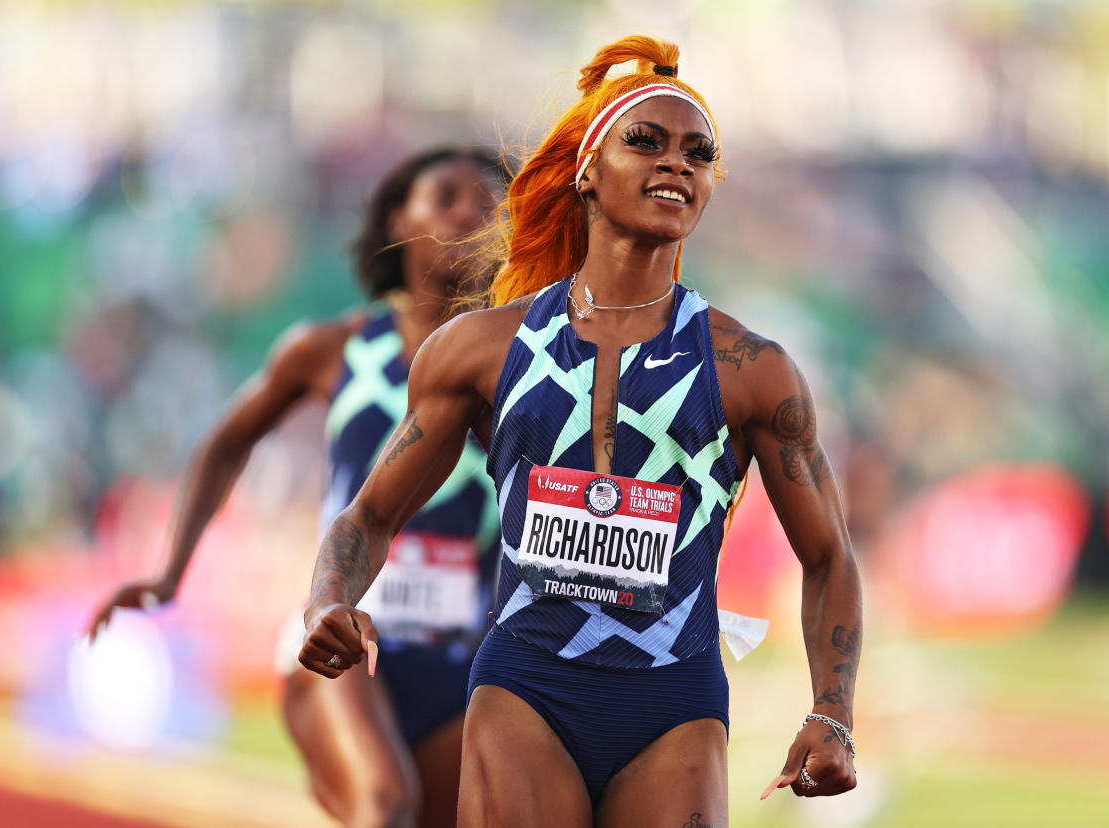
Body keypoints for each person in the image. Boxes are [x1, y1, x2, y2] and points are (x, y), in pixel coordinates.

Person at [299, 36, 862, 827]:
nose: (677, 163)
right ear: (586, 172)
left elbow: (831, 553)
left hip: (676, 697)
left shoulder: (751, 369)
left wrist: (831, 711)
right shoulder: (479, 350)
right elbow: (367, 516)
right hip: (528, 686)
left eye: (698, 153)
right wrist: (328, 597)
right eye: (646, 141)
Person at [87, 146, 507, 828]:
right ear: (399, 216)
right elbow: (226, 443)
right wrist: (170, 572)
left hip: (464, 663)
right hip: (338, 643)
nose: (470, 213)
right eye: (448, 196)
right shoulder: (334, 350)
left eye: (490, 205)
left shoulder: (521, 366)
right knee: (382, 803)